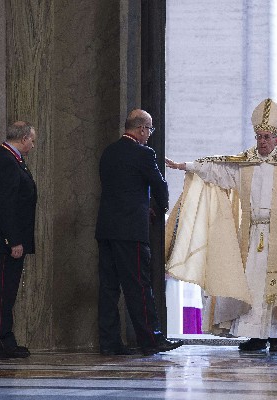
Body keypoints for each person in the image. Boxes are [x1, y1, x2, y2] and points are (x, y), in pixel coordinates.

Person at [165, 98, 277, 352]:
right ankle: (256, 335)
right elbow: (216, 170)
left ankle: (276, 335)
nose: (261, 141)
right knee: (251, 285)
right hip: (252, 234)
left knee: (276, 285)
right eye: (258, 136)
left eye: (266, 137)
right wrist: (186, 166)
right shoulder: (244, 163)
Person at [95, 109, 183, 356]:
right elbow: (159, 185)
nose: (149, 135)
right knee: (139, 286)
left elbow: (118, 188)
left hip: (106, 228)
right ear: (142, 129)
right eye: (149, 130)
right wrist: (159, 208)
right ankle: (151, 339)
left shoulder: (108, 152)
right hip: (131, 231)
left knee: (109, 288)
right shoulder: (144, 153)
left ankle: (109, 342)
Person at [0, 121, 37, 359]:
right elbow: (5, 205)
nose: (33, 145)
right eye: (32, 140)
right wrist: (13, 240)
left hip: (9, 240)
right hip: (5, 242)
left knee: (5, 291)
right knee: (3, 292)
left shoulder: (11, 158)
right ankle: (2, 341)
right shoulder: (5, 160)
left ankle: (1, 338)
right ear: (24, 138)